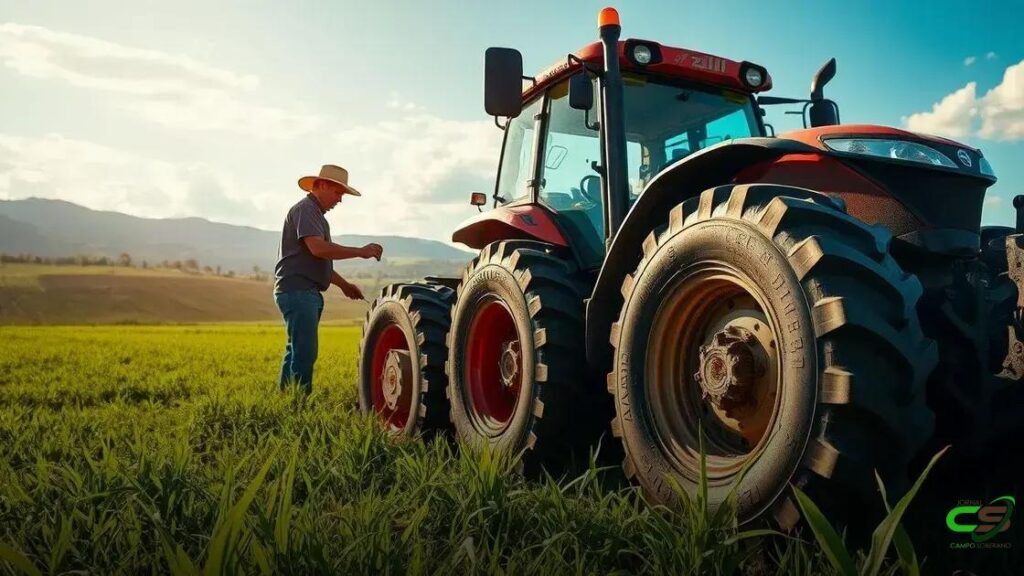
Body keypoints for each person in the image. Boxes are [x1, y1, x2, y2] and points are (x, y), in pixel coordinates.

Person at [274, 164, 383, 393]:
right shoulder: (307, 210)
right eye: (338, 193)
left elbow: (315, 261)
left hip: (300, 290)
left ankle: (287, 398)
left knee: (296, 349)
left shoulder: (314, 215)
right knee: (305, 352)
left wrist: (344, 285)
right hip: (298, 291)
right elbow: (318, 249)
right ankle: (300, 404)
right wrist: (360, 252)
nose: (339, 200)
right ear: (321, 185)